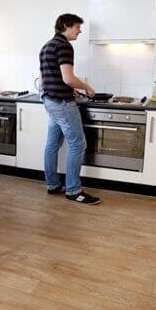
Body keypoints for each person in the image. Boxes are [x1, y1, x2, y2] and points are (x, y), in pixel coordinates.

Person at [39, 14, 100, 205]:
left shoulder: (46, 46)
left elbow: (44, 79)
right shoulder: (65, 46)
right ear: (66, 25)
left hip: (49, 100)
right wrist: (86, 88)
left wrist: (70, 88)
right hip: (62, 103)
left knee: (52, 144)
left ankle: (53, 185)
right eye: (77, 27)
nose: (79, 31)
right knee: (78, 144)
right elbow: (68, 78)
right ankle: (74, 190)